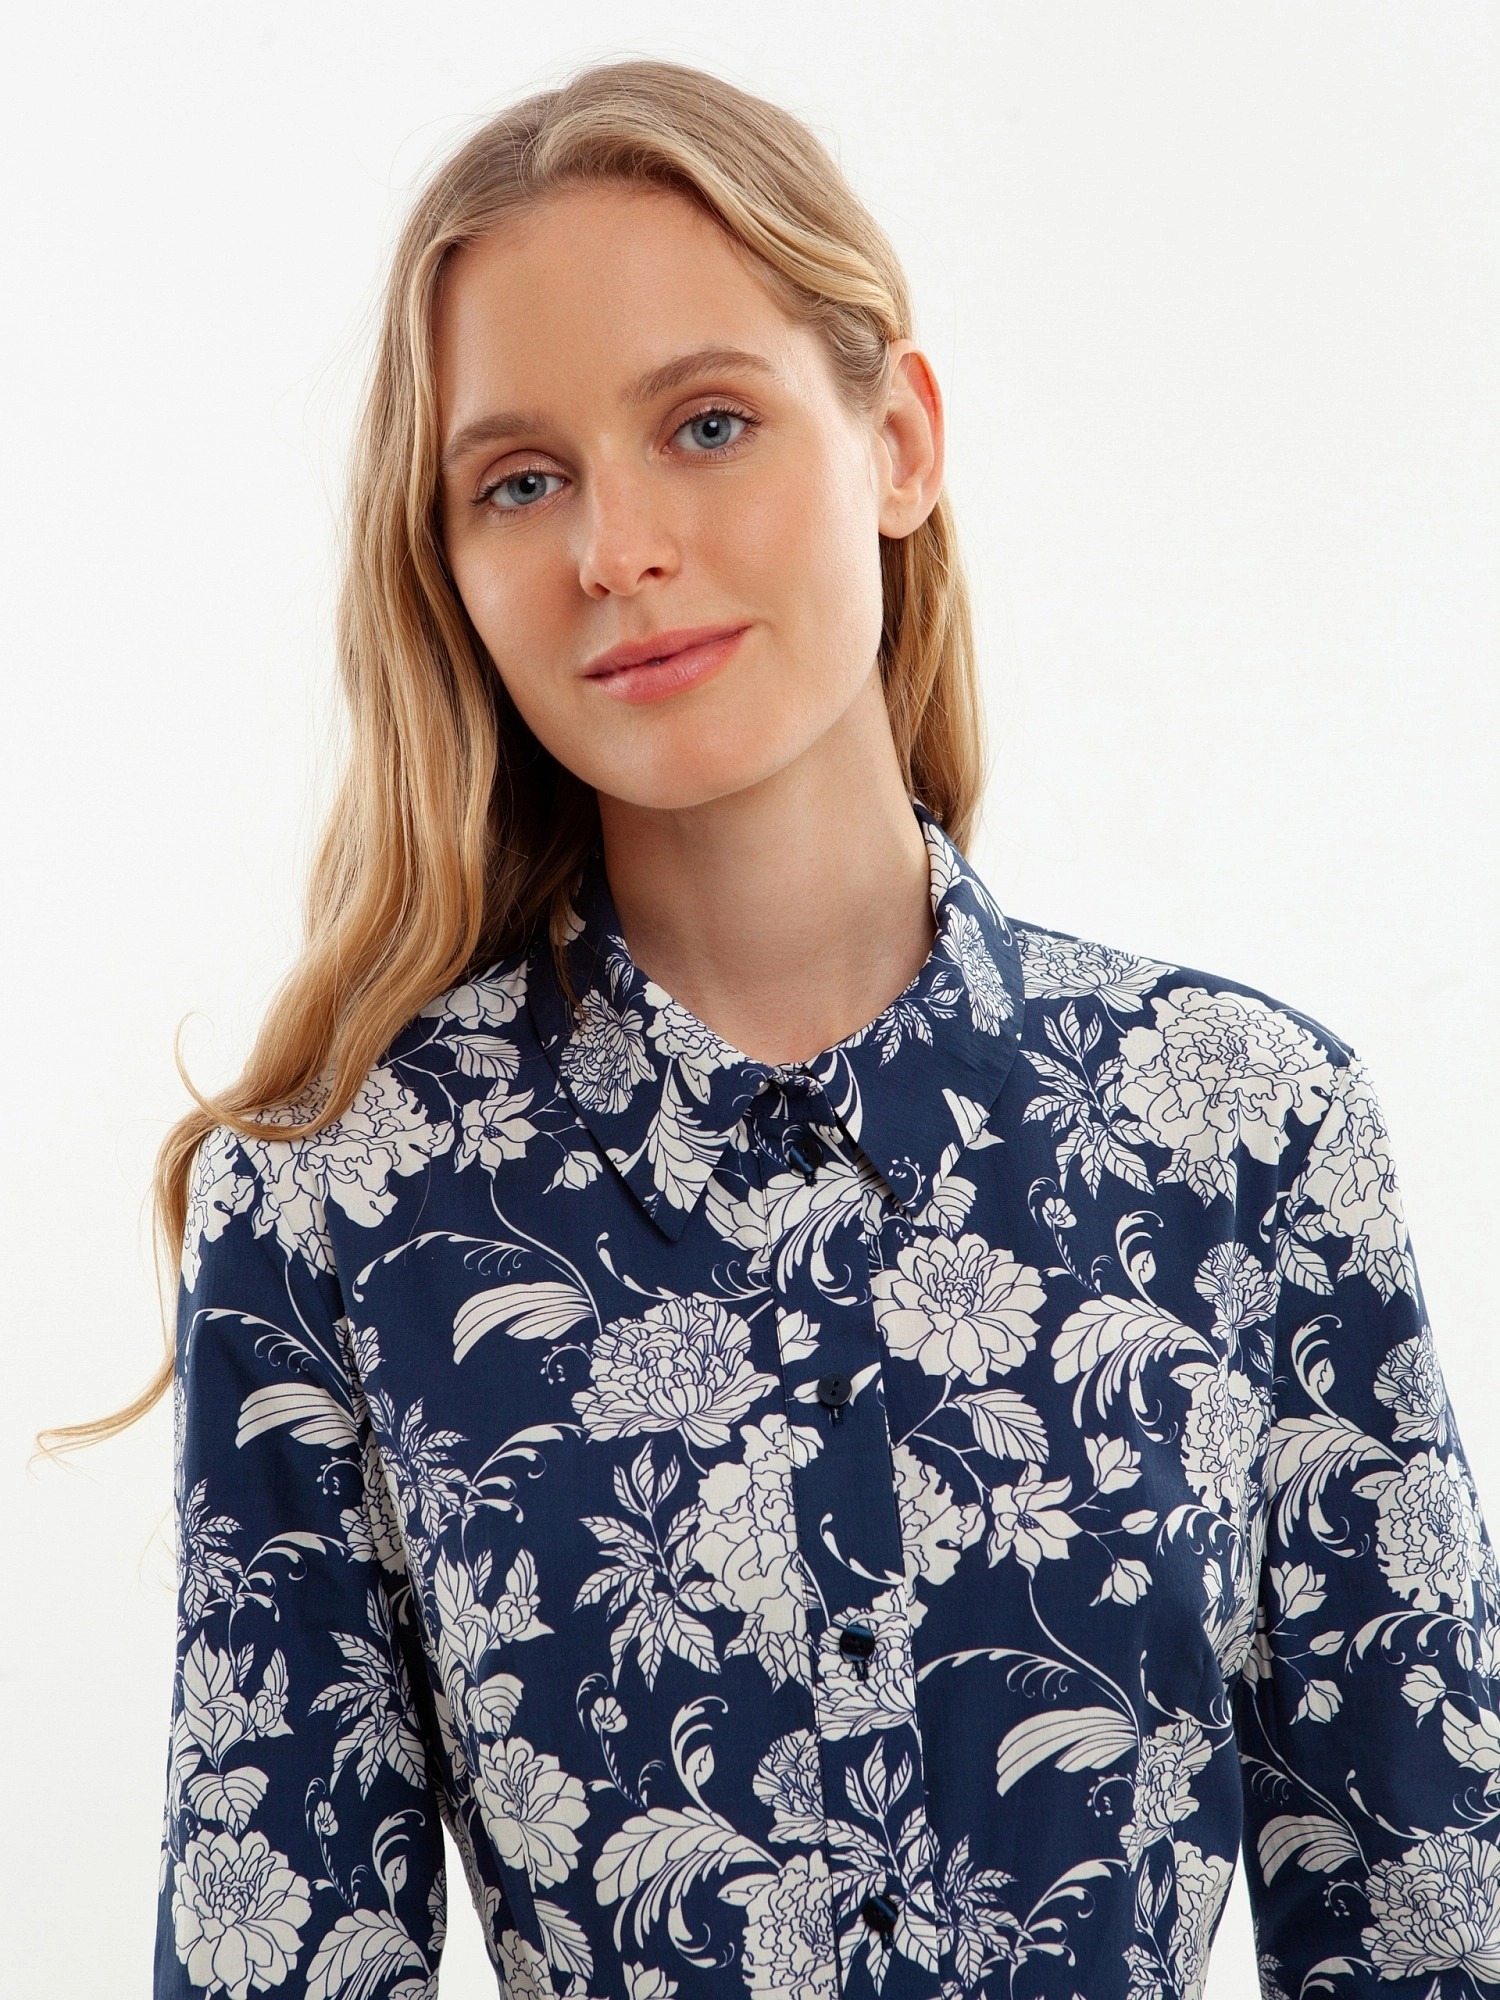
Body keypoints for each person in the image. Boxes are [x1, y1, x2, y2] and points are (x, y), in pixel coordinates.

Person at [64, 54, 1500, 2000]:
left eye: (708, 423)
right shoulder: (337, 1204)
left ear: (897, 440)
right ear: (452, 565)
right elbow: (279, 1951)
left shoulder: (1248, 1130)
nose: (616, 547)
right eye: (520, 480)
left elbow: (1434, 1924)